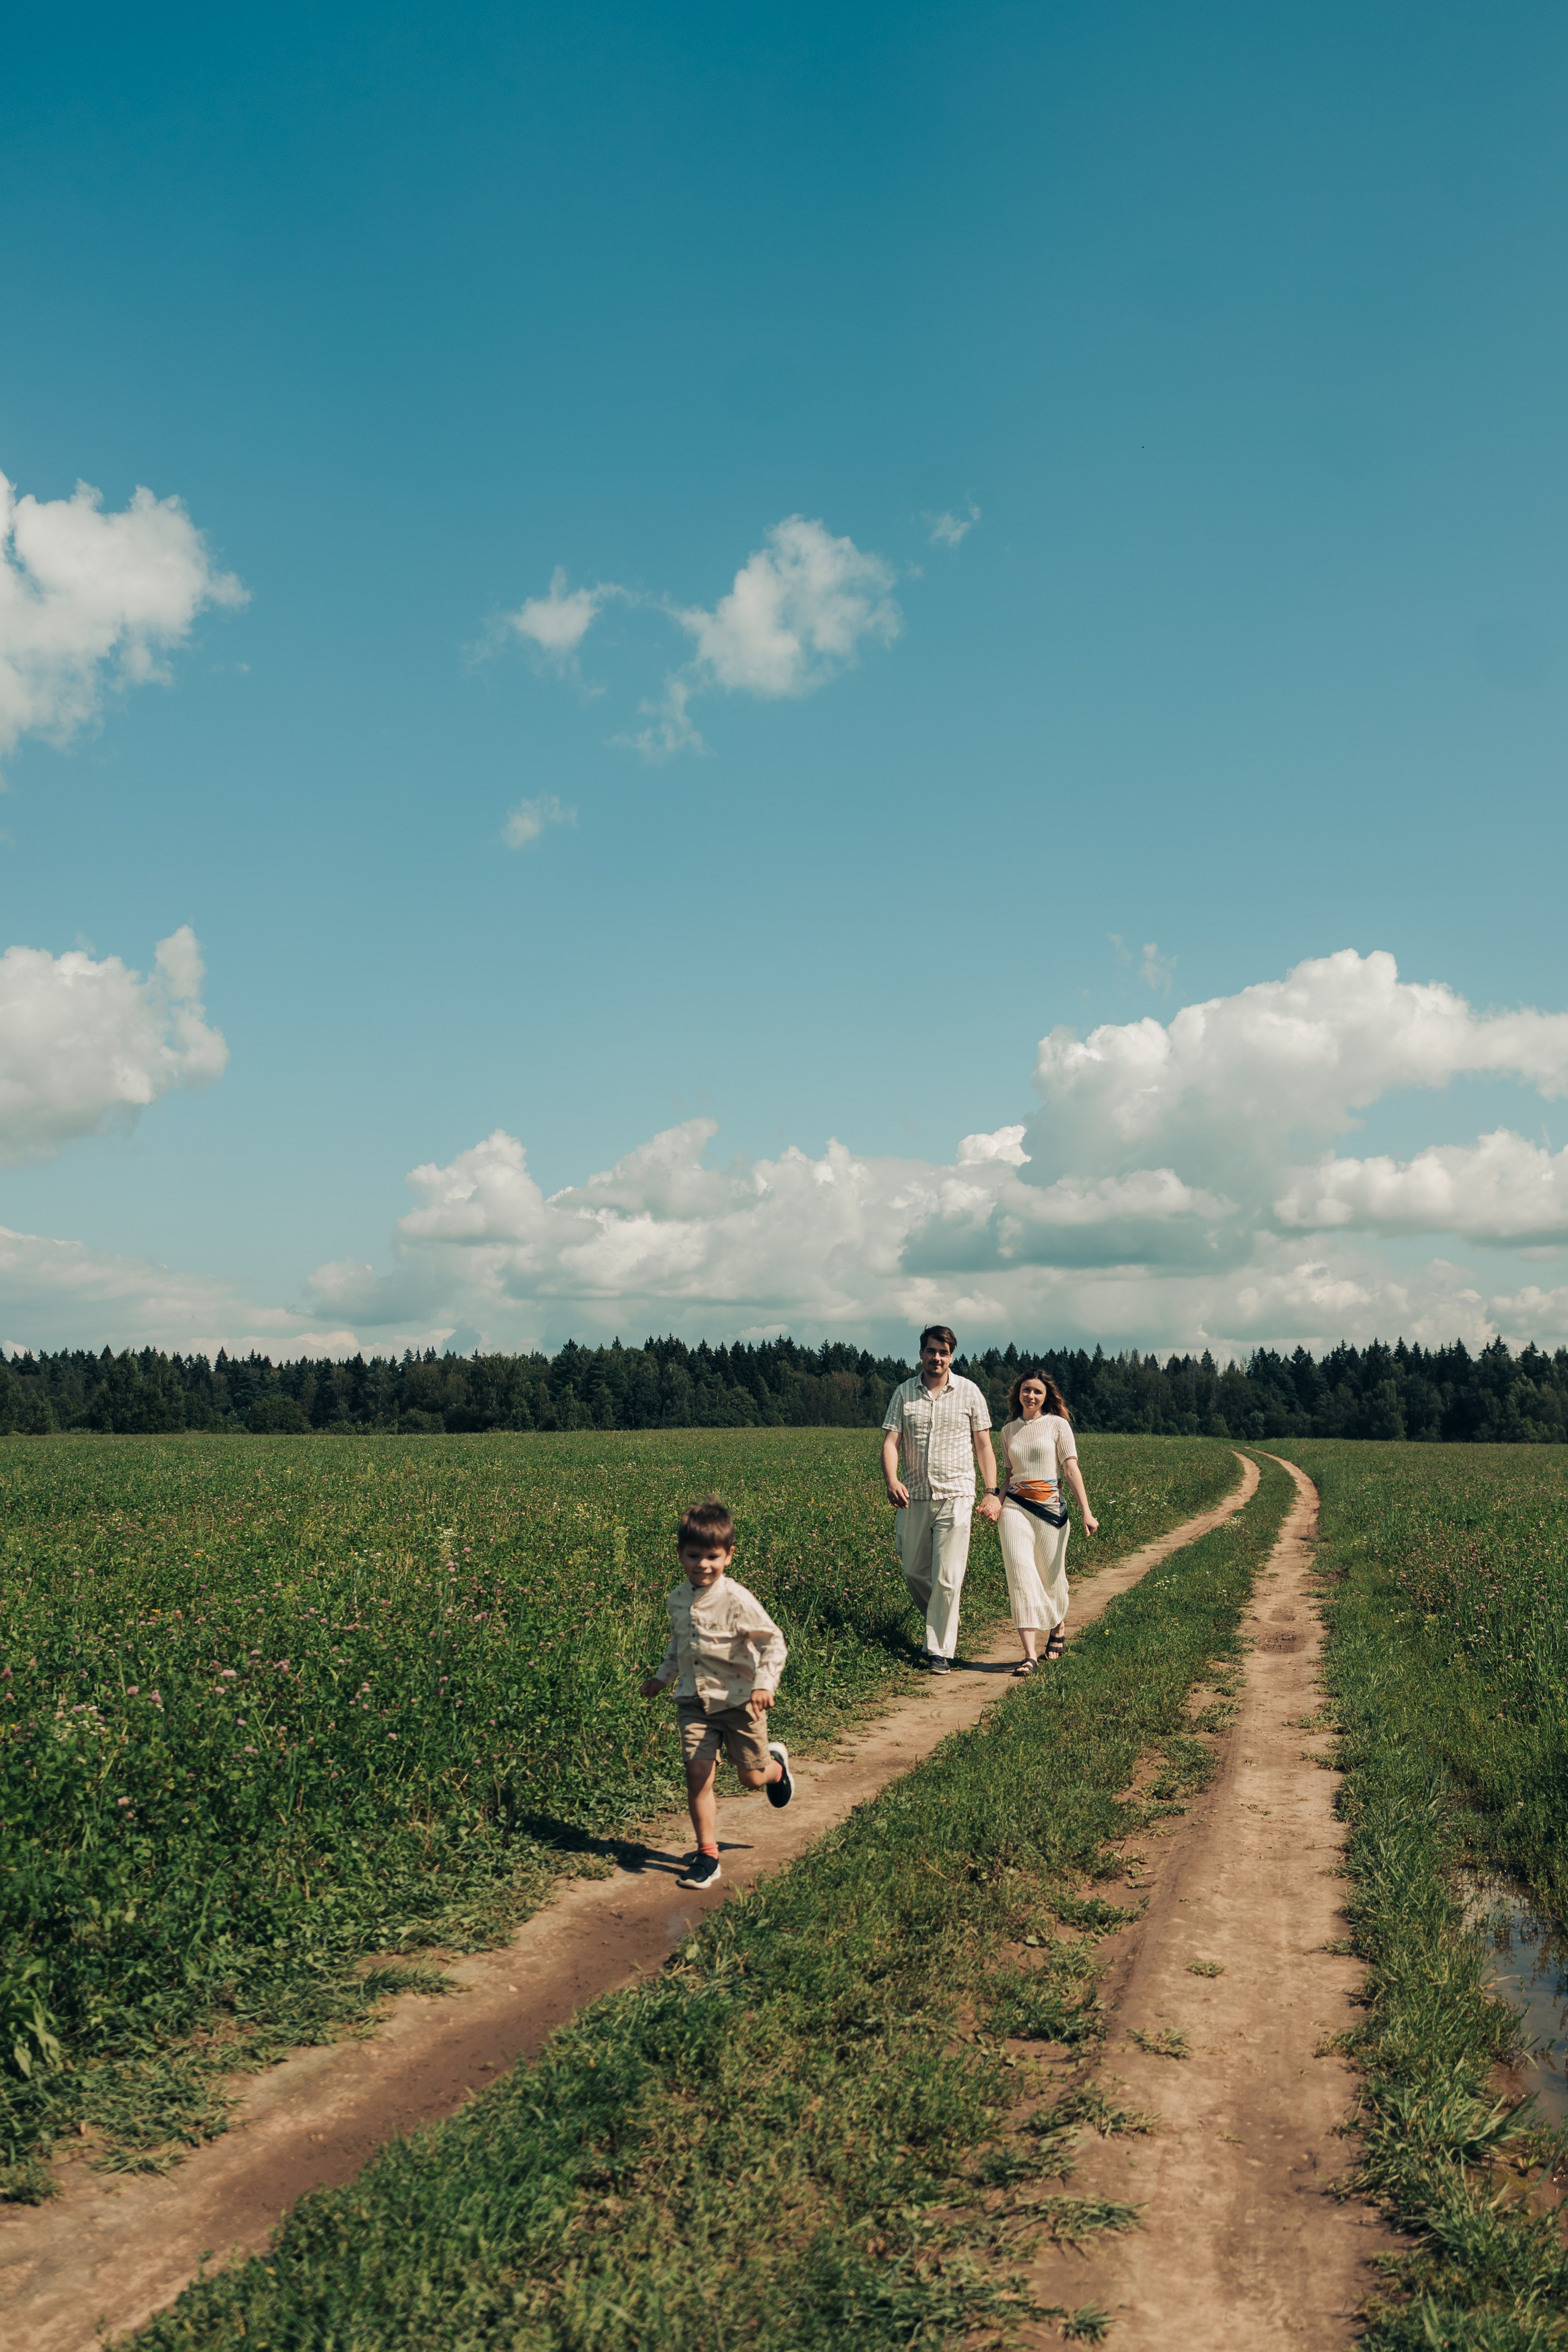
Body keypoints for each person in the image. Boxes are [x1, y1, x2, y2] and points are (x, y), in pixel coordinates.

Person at [640, 1496, 793, 1891]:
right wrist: (661, 1679)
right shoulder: (676, 1600)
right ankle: (707, 1855)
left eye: (712, 1556)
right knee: (697, 1775)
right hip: (693, 1702)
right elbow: (679, 1647)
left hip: (740, 1702)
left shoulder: (737, 1599)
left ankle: (775, 1767)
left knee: (751, 1778)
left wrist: (764, 1684)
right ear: (680, 1555)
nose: (703, 1564)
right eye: (694, 1555)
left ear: (728, 1556)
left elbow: (774, 1642)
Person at [880, 1324, 1001, 1673]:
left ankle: (939, 1651)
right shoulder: (904, 1393)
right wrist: (891, 1480)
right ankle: (941, 1622)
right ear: (921, 1353)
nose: (937, 1357)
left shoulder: (970, 1392)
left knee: (948, 1577)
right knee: (913, 1572)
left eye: (944, 1352)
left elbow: (984, 1446)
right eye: (931, 1351)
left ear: (952, 1356)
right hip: (914, 1496)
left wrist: (991, 1493)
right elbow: (891, 1442)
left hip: (957, 1495)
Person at [995, 1368, 1098, 1674]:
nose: (1031, 1396)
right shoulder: (1008, 1431)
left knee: (1051, 1578)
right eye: (1026, 1390)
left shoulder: (1058, 1425)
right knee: (1020, 1574)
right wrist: (996, 1503)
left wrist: (1086, 1511)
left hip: (1051, 1510)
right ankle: (1028, 1655)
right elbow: (1008, 1477)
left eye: (1037, 1392)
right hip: (1015, 1507)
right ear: (1018, 1394)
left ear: (1046, 1397)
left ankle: (1058, 1624)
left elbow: (1070, 1470)